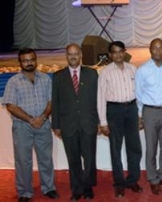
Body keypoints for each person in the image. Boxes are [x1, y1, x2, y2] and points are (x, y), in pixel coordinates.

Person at [3, 49, 59, 202]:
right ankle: (24, 192)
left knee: (46, 158)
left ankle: (48, 188)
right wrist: (30, 120)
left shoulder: (46, 79)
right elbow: (10, 106)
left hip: (43, 124)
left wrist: (42, 118)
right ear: (20, 62)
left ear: (36, 60)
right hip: (22, 127)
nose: (29, 63)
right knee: (23, 160)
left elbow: (51, 101)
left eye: (31, 59)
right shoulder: (13, 81)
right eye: (25, 60)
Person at [51, 43, 99, 201]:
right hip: (68, 125)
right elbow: (56, 102)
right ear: (66, 56)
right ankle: (77, 189)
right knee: (73, 159)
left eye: (76, 53)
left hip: (88, 123)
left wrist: (99, 121)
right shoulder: (58, 76)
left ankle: (88, 187)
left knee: (90, 158)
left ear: (81, 55)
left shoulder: (92, 74)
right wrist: (56, 125)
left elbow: (98, 100)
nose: (73, 56)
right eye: (70, 54)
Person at [97, 41, 143, 198]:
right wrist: (103, 122)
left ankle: (133, 180)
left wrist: (139, 114)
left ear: (125, 52)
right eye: (114, 52)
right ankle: (119, 183)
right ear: (110, 55)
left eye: (120, 51)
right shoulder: (105, 72)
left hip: (131, 109)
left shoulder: (133, 69)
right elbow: (100, 98)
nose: (118, 54)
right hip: (114, 111)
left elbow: (139, 93)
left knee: (134, 147)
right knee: (115, 149)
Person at [135, 38, 162, 194]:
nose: (158, 51)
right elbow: (138, 94)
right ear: (150, 50)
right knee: (151, 148)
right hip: (150, 112)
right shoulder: (143, 70)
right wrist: (140, 115)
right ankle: (153, 179)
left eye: (161, 48)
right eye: (155, 48)